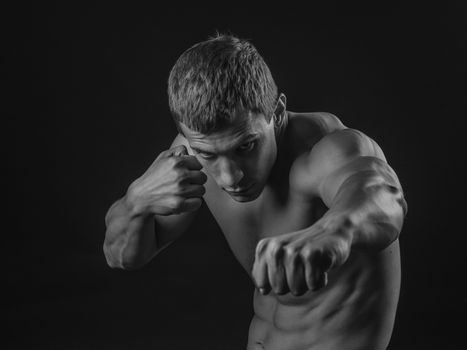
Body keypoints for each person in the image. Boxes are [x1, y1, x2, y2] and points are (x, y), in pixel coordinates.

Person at [103, 33, 408, 350]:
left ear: (276, 114)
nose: (230, 175)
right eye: (208, 155)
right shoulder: (190, 155)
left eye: (246, 146)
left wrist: (334, 231)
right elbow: (121, 256)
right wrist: (136, 200)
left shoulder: (326, 148)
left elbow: (384, 197)